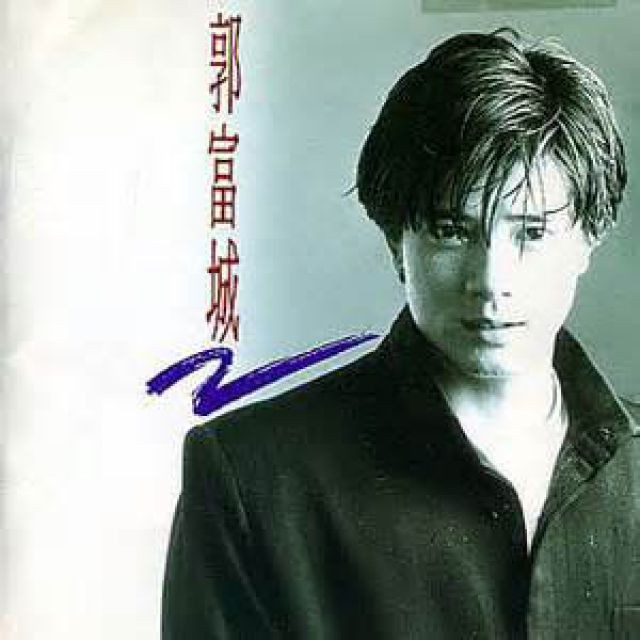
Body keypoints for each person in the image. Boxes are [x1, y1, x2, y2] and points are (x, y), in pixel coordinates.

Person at [162, 29, 639, 639]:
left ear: (588, 239)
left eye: (532, 232)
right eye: (451, 230)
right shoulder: (249, 477)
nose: (492, 281)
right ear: (397, 243)